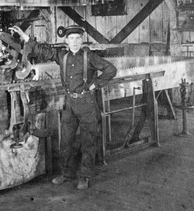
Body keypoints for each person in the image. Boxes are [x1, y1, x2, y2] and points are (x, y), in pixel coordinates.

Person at [9, 24, 117, 190]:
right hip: (69, 104)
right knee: (66, 141)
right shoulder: (62, 56)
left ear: (81, 40)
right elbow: (42, 51)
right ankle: (66, 174)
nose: (74, 42)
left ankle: (85, 177)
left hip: (87, 104)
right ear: (66, 41)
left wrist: (95, 85)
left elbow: (111, 69)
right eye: (71, 38)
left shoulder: (89, 57)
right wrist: (25, 37)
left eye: (77, 38)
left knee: (88, 141)